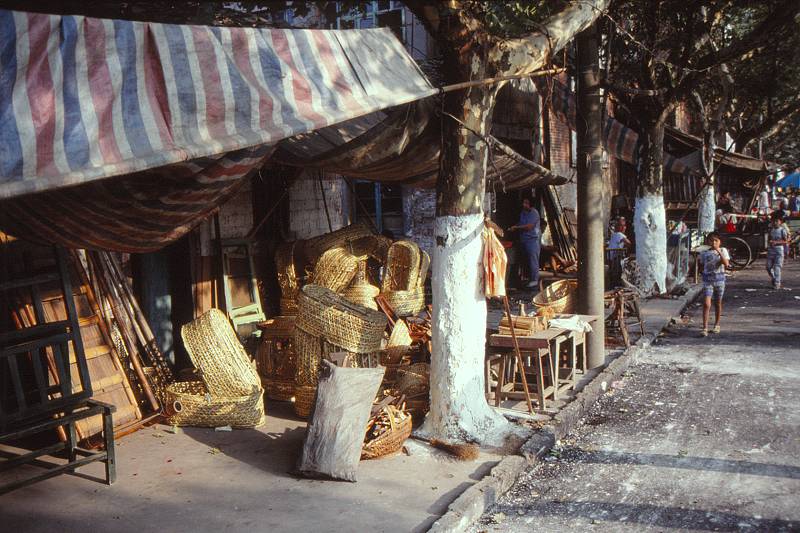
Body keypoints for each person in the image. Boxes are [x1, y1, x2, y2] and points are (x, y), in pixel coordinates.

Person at [699, 232, 730, 337]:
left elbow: (726, 264)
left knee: (718, 303)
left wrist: (718, 251)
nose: (713, 242)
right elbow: (701, 265)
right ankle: (705, 327)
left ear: (720, 242)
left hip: (720, 280)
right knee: (706, 304)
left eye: (716, 240)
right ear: (708, 241)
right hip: (708, 280)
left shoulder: (723, 251)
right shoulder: (704, 253)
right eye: (711, 240)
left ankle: (717, 324)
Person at [509, 197, 541, 288]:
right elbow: (521, 223)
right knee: (526, 260)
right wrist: (515, 226)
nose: (524, 205)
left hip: (532, 240)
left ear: (531, 204)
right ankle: (527, 278)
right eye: (524, 202)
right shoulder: (523, 212)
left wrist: (517, 228)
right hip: (524, 240)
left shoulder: (534, 213)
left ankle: (535, 280)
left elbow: (529, 226)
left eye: (527, 203)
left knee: (533, 260)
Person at [767, 211, 789, 289]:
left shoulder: (782, 230)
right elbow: (769, 239)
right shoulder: (771, 230)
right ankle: (774, 278)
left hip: (779, 250)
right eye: (774, 221)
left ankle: (777, 283)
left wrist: (776, 242)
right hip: (771, 251)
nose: (775, 222)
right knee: (768, 267)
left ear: (780, 222)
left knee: (777, 267)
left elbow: (786, 241)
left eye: (777, 221)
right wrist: (770, 242)